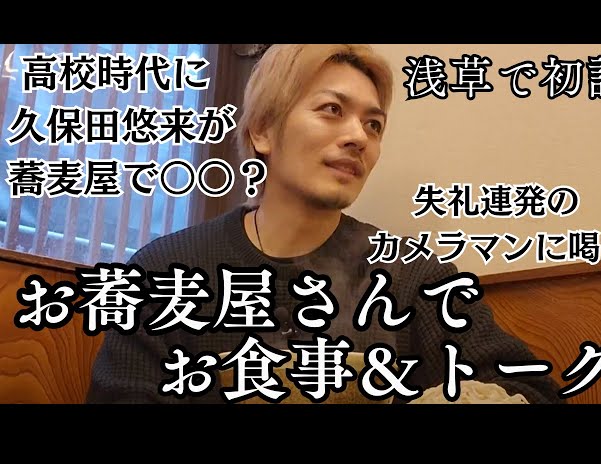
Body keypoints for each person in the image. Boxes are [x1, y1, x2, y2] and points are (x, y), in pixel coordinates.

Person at [86, 44, 563, 404]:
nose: (359, 137)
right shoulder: (164, 269)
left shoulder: (412, 275)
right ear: (263, 130)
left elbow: (532, 388)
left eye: (374, 124)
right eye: (332, 110)